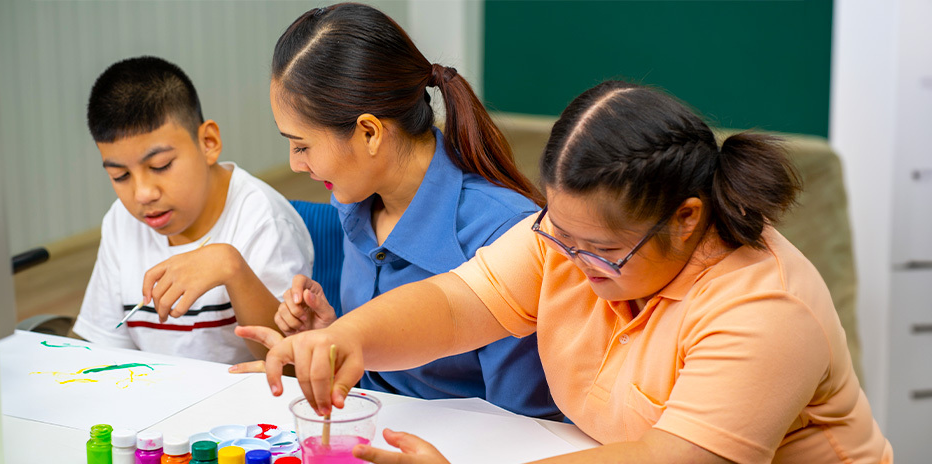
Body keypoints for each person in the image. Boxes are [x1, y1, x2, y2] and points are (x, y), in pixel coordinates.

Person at [240, 81, 893, 463]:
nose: (571, 261)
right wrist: (350, 337)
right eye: (558, 232)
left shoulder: (764, 309)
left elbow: (670, 458)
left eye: (602, 250)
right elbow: (458, 303)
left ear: (687, 218)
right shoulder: (568, 240)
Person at [229, 2, 561, 421]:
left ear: (369, 132)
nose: (295, 164)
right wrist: (333, 341)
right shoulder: (356, 204)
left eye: (302, 145)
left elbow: (527, 424)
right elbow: (377, 379)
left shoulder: (504, 234)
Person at [72, 56, 313, 364]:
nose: (143, 194)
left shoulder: (263, 220)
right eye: (120, 176)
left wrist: (232, 268)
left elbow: (290, 368)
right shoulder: (121, 221)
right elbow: (103, 349)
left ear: (208, 142)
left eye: (161, 166)